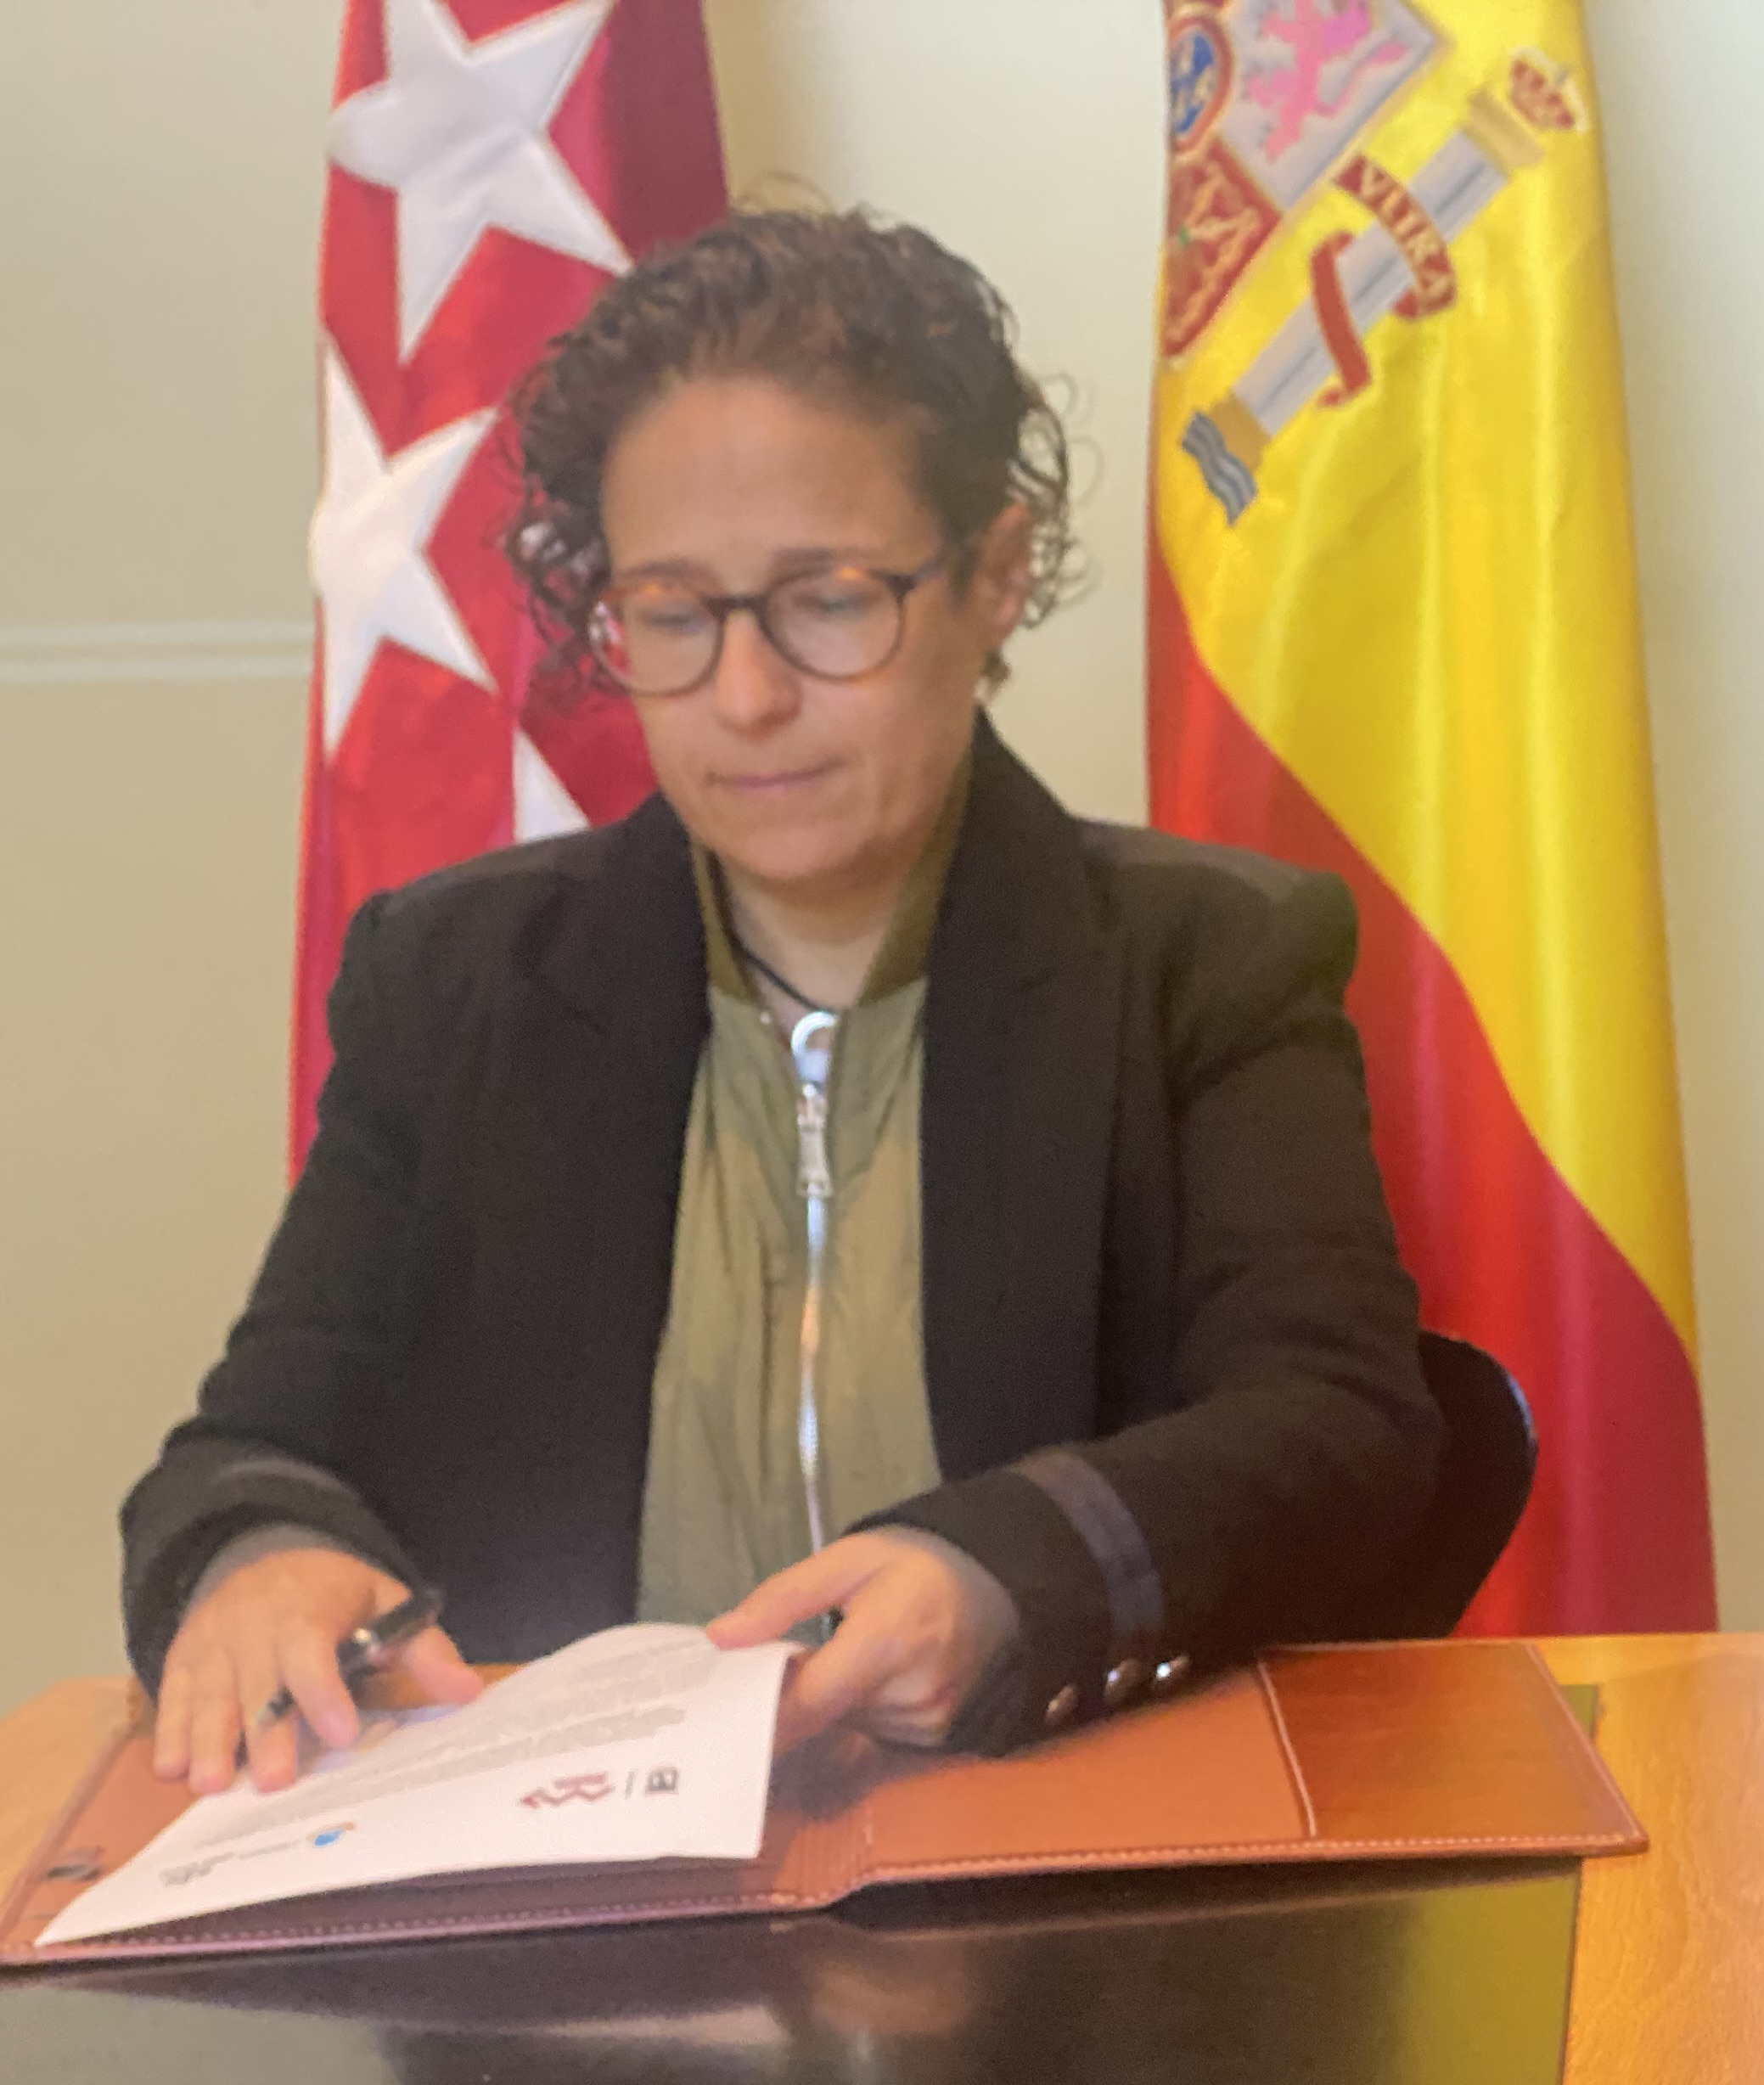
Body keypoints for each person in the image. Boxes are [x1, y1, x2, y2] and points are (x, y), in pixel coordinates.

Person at [126, 209, 1439, 1794]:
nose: (746, 699)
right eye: (675, 614)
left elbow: (1338, 1423)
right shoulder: (454, 980)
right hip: (566, 1878)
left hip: (1050, 1832)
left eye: (826, 600)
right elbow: (250, 1446)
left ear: (996, 574)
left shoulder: (1206, 956)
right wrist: (262, 1555)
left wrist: (1008, 1569)